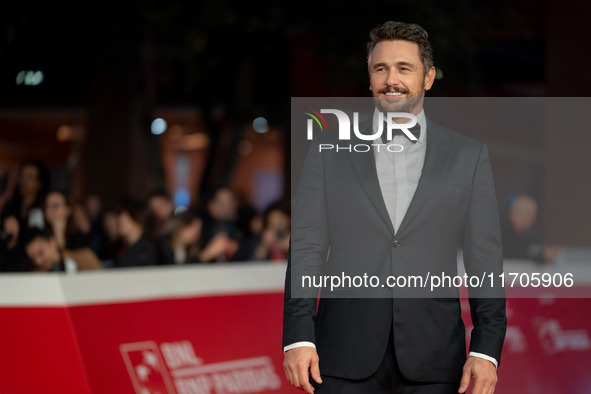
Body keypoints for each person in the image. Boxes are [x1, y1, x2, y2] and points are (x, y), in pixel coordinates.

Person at [283, 21, 506, 394]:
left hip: (435, 355)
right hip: (340, 354)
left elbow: (484, 257)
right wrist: (298, 338)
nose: (392, 79)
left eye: (404, 68)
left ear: (428, 77)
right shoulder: (327, 151)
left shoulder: (469, 157)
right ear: (369, 79)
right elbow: (306, 249)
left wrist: (486, 348)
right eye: (380, 68)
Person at [501, 194, 563, 263]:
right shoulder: (500, 232)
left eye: (533, 215)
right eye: (529, 214)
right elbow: (514, 256)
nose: (532, 219)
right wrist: (542, 256)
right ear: (515, 211)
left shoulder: (528, 235)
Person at [23, 227, 101, 272]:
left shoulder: (85, 258)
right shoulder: (37, 277)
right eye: (33, 259)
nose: (38, 261)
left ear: (52, 242)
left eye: (40, 253)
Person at [116, 200, 158, 267]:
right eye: (120, 214)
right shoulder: (122, 247)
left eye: (127, 215)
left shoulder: (145, 249)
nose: (120, 218)